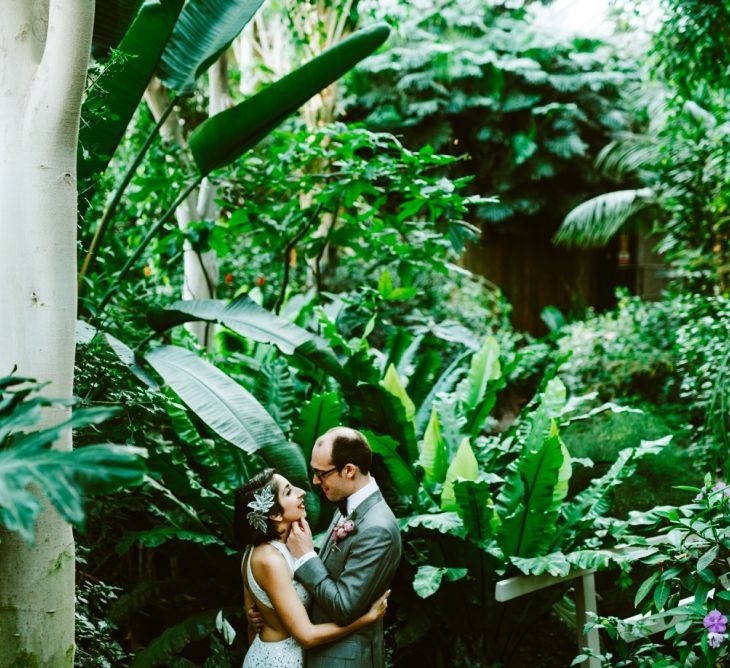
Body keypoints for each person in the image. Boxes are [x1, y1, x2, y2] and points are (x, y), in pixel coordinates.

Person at [234, 468, 389, 668]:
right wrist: (365, 619)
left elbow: (253, 619)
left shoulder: (275, 547)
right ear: (274, 514)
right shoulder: (269, 560)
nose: (302, 492)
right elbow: (305, 636)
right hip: (279, 661)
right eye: (289, 492)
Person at [286, 426, 402, 667]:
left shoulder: (376, 528)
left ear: (349, 470)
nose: (315, 481)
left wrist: (307, 556)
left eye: (322, 473)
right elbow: (330, 574)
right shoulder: (348, 505)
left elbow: (343, 606)